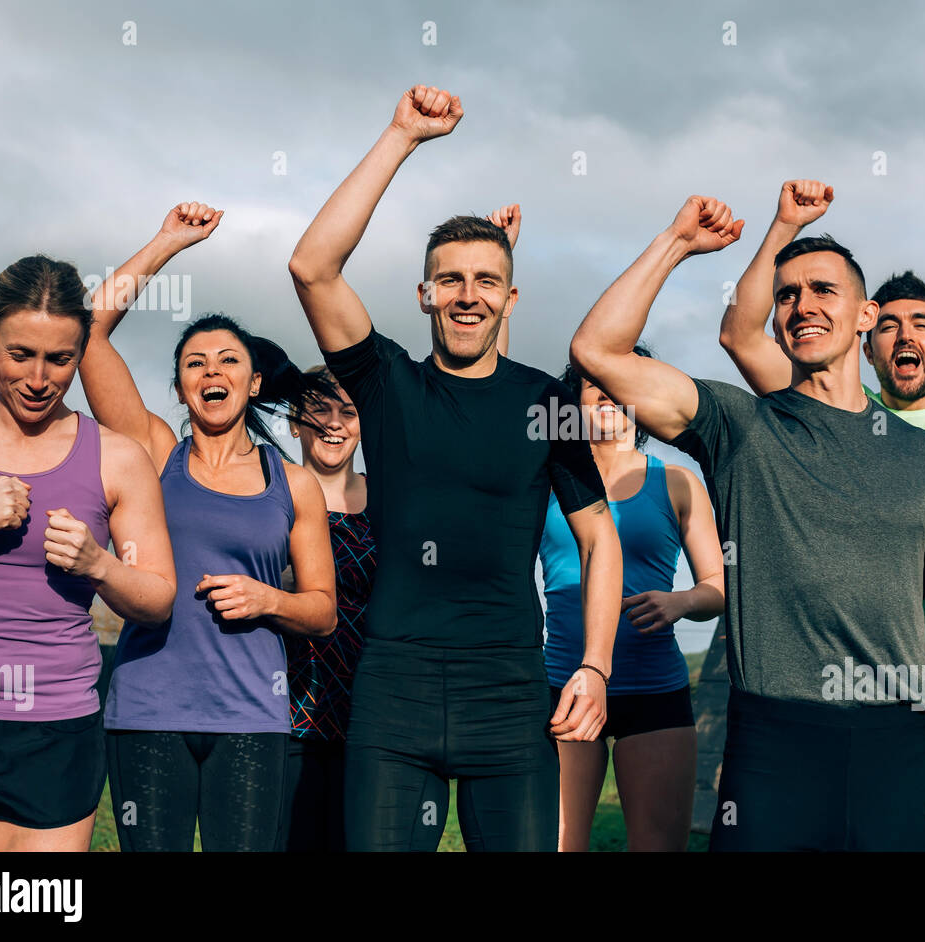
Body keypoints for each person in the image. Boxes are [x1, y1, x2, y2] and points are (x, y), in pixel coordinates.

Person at [570, 193, 925, 851]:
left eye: (824, 290)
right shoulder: (740, 425)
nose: (803, 306)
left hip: (897, 749)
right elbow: (597, 348)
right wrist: (677, 240)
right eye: (786, 295)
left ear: (866, 315)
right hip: (774, 746)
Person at [289, 85, 623, 852]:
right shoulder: (386, 382)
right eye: (450, 279)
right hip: (394, 686)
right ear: (425, 294)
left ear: (510, 297)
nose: (466, 295)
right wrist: (402, 135)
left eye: (484, 281)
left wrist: (595, 667)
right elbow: (311, 266)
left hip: (509, 690)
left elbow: (599, 541)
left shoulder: (548, 400)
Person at [718, 179, 925, 793]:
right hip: (879, 675)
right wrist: (783, 227)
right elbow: (742, 336)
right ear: (867, 335)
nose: (906, 338)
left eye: (923, 325)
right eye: (892, 327)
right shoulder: (831, 415)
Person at [82, 203, 339, 852]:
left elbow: (323, 612)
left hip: (252, 717)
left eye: (228, 361)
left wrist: (268, 599)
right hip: (147, 710)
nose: (212, 372)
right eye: (195, 363)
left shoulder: (293, 482)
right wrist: (166, 241)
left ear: (253, 382)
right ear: (179, 386)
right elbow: (86, 334)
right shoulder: (150, 450)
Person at [0, 255, 176, 851]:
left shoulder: (117, 458)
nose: (39, 379)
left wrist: (100, 564)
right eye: (20, 354)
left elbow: (157, 598)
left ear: (82, 349)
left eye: (60, 359)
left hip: (54, 727)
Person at [538, 346, 724, 851]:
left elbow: (718, 584)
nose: (605, 400)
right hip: (565, 686)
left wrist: (681, 602)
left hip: (655, 692)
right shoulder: (545, 481)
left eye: (617, 389)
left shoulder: (678, 481)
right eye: (592, 390)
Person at [280, 368, 374, 851]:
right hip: (286, 712)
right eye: (319, 409)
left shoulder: (390, 501)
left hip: (371, 718)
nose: (334, 422)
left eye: (348, 411)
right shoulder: (270, 497)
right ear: (295, 422)